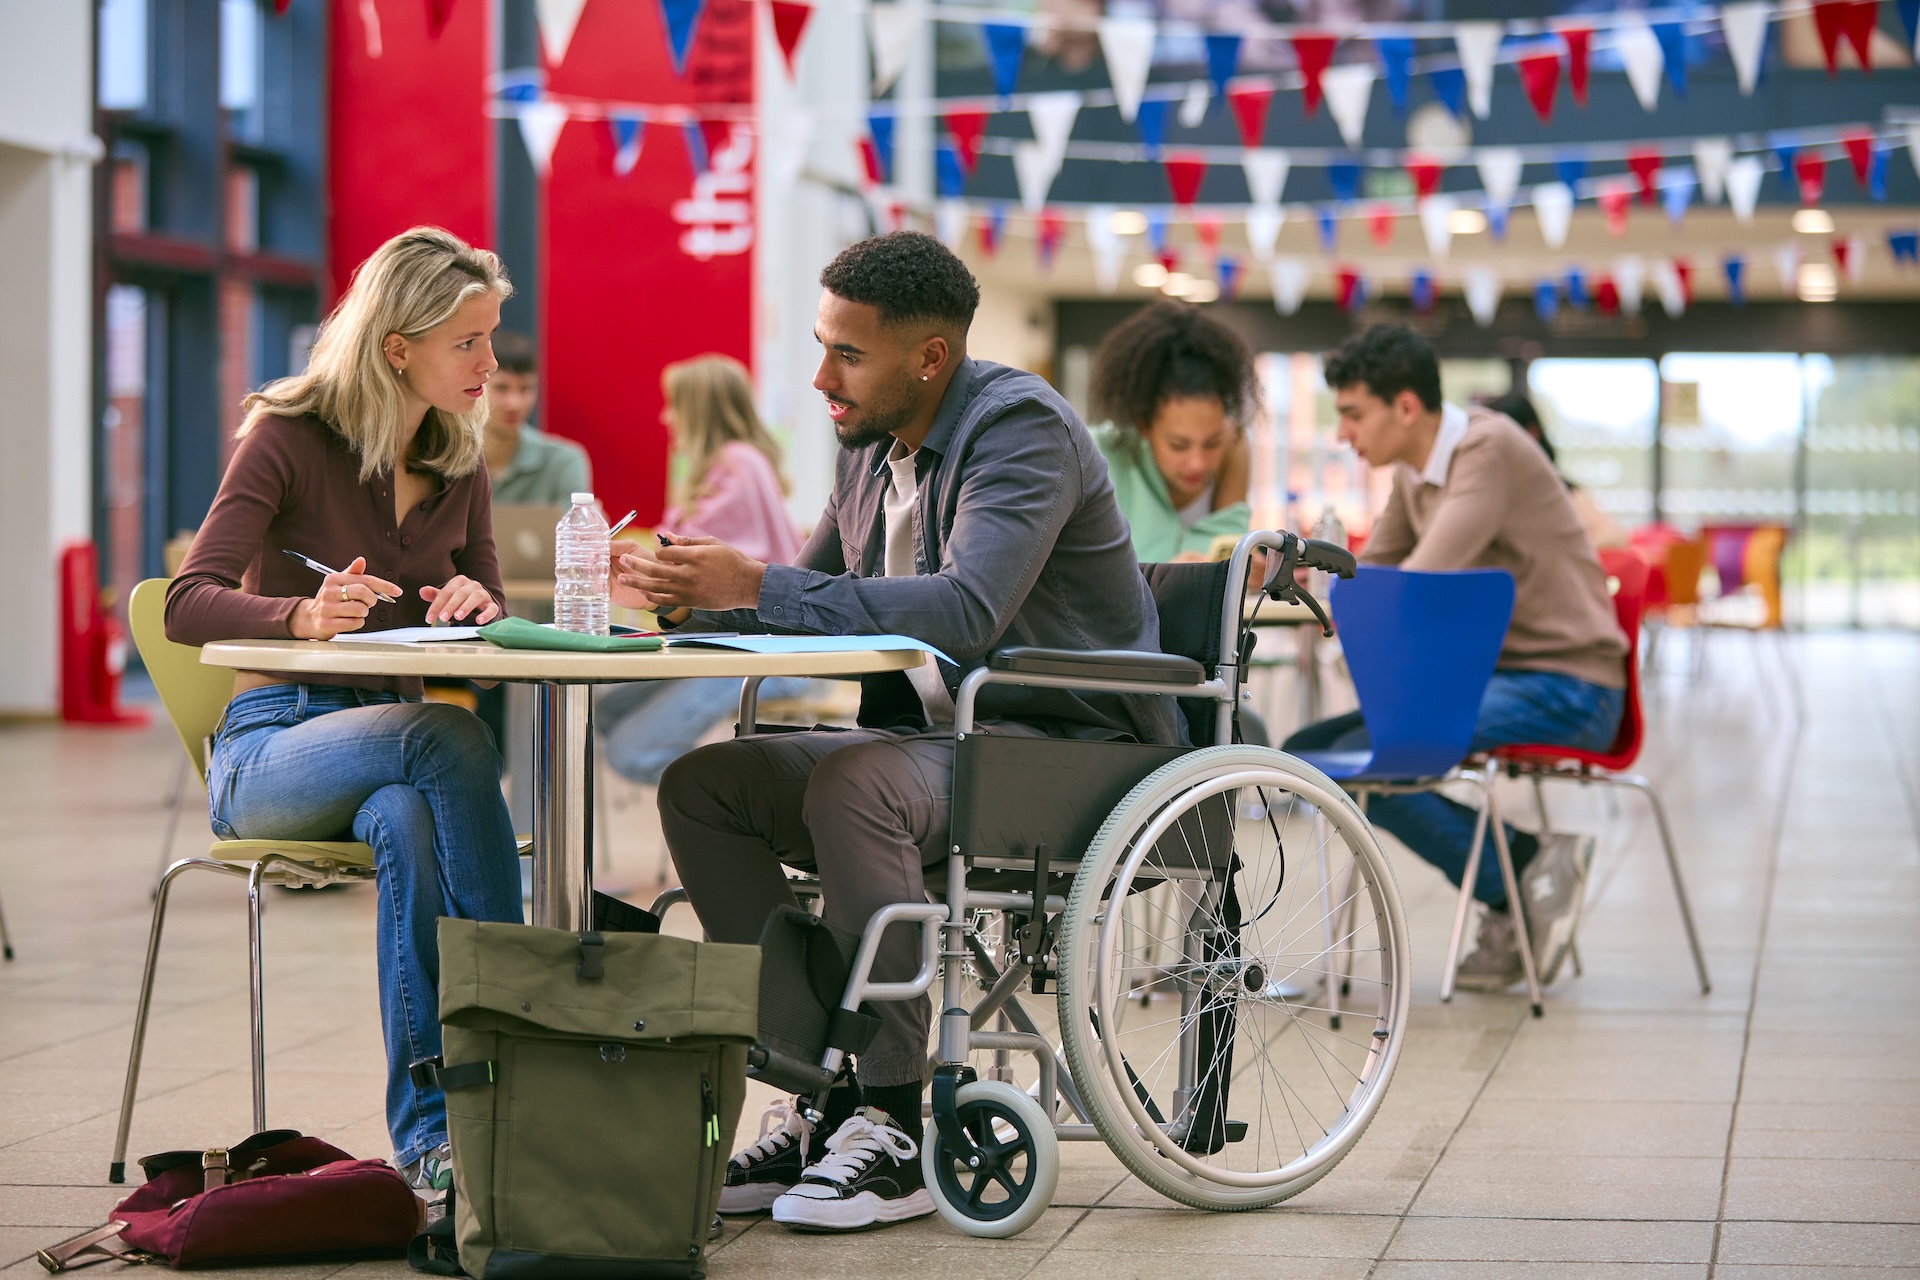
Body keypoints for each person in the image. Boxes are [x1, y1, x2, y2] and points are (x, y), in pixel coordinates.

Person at [611, 232, 1175, 1233]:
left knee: (854, 782)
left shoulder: (1021, 431)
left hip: (1070, 748)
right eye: (821, 347)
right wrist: (690, 593)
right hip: (948, 745)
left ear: (930, 358)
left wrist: (757, 583)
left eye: (848, 354)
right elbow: (811, 597)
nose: (822, 377)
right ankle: (819, 1088)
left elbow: (966, 610)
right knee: (706, 786)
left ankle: (893, 1116)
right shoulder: (868, 451)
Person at [165, 227, 522, 1196]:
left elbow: (490, 607)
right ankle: (517, 1036)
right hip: (273, 748)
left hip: (395, 755)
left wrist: (477, 605)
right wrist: (299, 614)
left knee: (410, 812)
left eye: (491, 337)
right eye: (468, 342)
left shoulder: (459, 460)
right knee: (449, 733)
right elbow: (186, 601)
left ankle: (434, 1139)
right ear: (396, 347)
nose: (490, 363)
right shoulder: (287, 437)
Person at [1284, 325, 1629, 992]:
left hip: (1571, 687)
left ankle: (1516, 880)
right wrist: (1309, 577)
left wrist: (1354, 604)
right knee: (1314, 755)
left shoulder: (1486, 449)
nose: (1343, 434)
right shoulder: (1418, 471)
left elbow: (1418, 583)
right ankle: (1527, 865)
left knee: (1370, 759)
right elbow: (1370, 576)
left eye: (1353, 414)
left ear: (1405, 406)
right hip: (1495, 681)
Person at [596, 355, 807, 784]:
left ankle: (742, 801)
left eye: (674, 405)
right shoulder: (725, 466)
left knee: (632, 752)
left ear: (699, 410)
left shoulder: (736, 464)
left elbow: (691, 562)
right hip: (737, 643)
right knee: (607, 713)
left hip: (769, 651)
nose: (665, 417)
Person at [1089, 300, 1255, 562]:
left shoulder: (1233, 444)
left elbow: (1228, 547)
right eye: (1179, 445)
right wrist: (1171, 576)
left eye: (1212, 443)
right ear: (1143, 425)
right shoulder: (1099, 454)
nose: (1198, 463)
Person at [1481, 389, 1627, 551]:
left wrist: (1561, 555)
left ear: (1532, 433)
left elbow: (1611, 535)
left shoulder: (1562, 489)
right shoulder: (1490, 493)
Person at [482, 329, 591, 502]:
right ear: (477, 388)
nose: (514, 404)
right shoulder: (449, 460)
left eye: (525, 389)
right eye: (501, 388)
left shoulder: (563, 461)